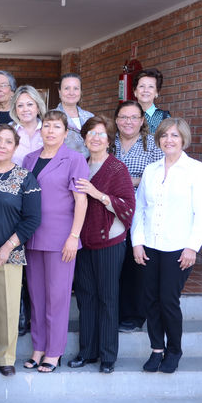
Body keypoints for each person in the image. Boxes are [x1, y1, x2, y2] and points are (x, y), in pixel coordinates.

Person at [132, 118, 202, 374]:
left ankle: (174, 350)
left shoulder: (195, 169)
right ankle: (157, 349)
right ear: (159, 140)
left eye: (174, 135)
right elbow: (140, 208)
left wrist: (192, 247)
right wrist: (137, 242)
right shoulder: (151, 170)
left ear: (183, 139)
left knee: (168, 300)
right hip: (150, 245)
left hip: (178, 247)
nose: (169, 140)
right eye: (165, 135)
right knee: (150, 300)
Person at [22, 111, 88, 373]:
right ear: (40, 130)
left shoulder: (74, 159)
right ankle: (38, 348)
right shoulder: (29, 159)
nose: (50, 131)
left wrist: (74, 236)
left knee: (57, 298)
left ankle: (54, 351)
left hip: (61, 239)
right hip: (32, 237)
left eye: (56, 127)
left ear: (66, 132)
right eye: (46, 125)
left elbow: (81, 201)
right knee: (36, 297)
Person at [70, 116, 135, 374]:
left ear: (109, 140)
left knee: (107, 298)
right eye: (91, 133)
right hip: (83, 241)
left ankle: (108, 356)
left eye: (101, 134)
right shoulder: (80, 165)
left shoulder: (117, 168)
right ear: (84, 138)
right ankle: (87, 352)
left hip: (110, 240)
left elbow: (128, 206)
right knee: (86, 297)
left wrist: (97, 194)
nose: (95, 138)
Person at [0, 124, 41, 376]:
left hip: (9, 253)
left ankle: (4, 357)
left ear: (15, 148)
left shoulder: (25, 178)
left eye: (8, 142)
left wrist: (7, 246)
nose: (2, 145)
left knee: (7, 308)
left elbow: (32, 219)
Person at [114, 100, 164, 334]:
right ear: (116, 120)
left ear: (142, 120)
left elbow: (159, 176)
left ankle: (133, 316)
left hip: (139, 212)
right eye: (124, 117)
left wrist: (127, 181)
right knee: (114, 264)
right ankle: (113, 312)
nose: (129, 122)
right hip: (110, 211)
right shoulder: (109, 143)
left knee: (135, 263)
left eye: (134, 117)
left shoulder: (152, 145)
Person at [133, 68, 170, 134]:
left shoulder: (164, 117)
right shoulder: (126, 115)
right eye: (142, 86)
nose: (145, 90)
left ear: (156, 93)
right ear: (135, 92)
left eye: (151, 86)